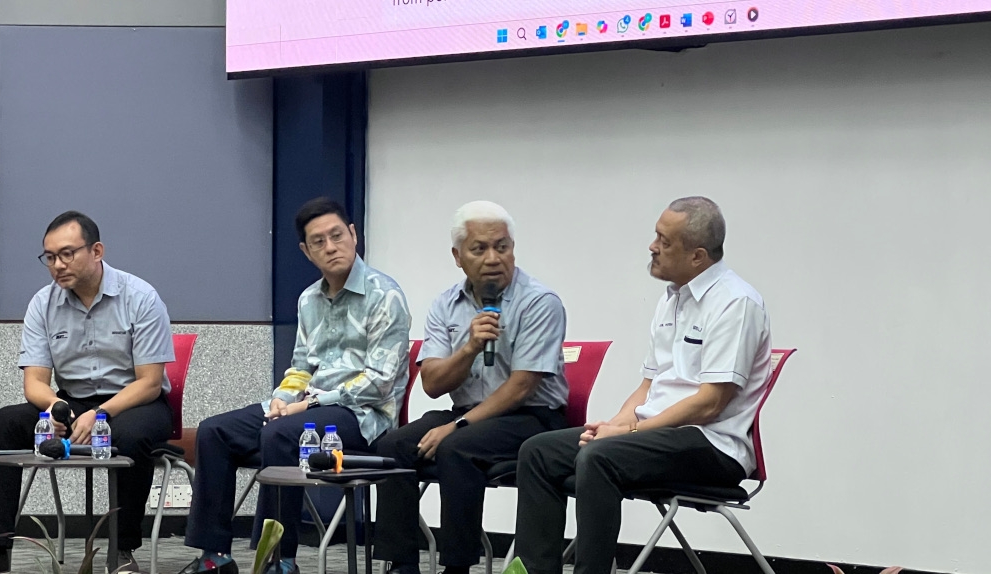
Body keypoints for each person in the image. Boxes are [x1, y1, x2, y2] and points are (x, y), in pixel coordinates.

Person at [513, 196, 773, 574]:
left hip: (711, 443)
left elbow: (710, 403)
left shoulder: (736, 303)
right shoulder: (672, 300)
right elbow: (648, 384)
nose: (653, 247)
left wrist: (628, 431)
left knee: (600, 457)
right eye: (656, 236)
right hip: (656, 433)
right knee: (537, 453)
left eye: (665, 242)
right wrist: (615, 424)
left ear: (698, 256)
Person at [179, 197, 411, 574]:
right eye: (318, 242)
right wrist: (280, 400)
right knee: (214, 431)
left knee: (283, 435)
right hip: (306, 409)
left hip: (361, 416)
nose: (330, 247)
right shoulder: (308, 300)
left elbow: (380, 383)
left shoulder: (385, 296)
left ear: (354, 235)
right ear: (306, 251)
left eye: (337, 235)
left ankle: (276, 559)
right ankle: (213, 555)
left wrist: (310, 405)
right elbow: (300, 368)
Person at [373, 201, 569, 574]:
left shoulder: (540, 302)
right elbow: (432, 383)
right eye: (480, 249)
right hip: (470, 416)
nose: (494, 258)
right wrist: (469, 347)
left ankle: (457, 566)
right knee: (392, 446)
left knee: (457, 447)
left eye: (503, 246)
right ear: (458, 256)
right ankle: (401, 564)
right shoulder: (446, 304)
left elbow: (523, 385)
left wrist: (457, 426)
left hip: (532, 419)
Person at [0, 211, 176, 574]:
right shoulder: (42, 304)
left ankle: (122, 548)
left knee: (131, 435)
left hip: (134, 401)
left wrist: (102, 413)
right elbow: (34, 384)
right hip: (70, 401)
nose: (57, 265)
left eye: (66, 254)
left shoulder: (141, 297)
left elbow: (150, 381)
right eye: (49, 257)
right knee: (5, 422)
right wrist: (58, 409)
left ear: (96, 251)